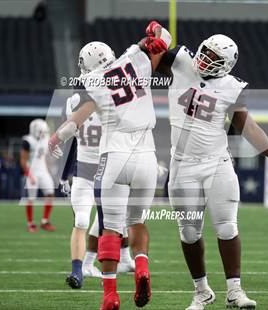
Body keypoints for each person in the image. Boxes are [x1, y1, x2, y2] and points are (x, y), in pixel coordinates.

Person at [152, 33, 268, 309]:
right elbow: (149, 61)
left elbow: (247, 127)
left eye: (213, 57)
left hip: (217, 164)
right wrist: (154, 41)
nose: (205, 58)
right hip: (183, 165)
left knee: (227, 226)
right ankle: (202, 291)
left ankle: (235, 291)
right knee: (188, 233)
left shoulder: (232, 87)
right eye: (205, 51)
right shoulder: (181, 61)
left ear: (226, 65)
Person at [49, 22, 171, 309]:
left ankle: (110, 295)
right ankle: (141, 267)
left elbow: (77, 120)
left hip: (113, 156)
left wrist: (56, 137)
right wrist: (153, 34)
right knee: (137, 222)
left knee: (109, 230)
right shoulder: (133, 59)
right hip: (146, 156)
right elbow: (162, 39)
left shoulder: (93, 82)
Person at [60, 67, 135, 289]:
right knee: (83, 220)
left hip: (109, 168)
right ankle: (78, 271)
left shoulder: (115, 98)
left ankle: (110, 263)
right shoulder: (77, 100)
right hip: (84, 169)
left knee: (112, 221)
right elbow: (73, 137)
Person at [20, 119, 56, 232]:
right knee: (31, 198)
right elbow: (23, 160)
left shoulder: (45, 140)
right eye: (41, 131)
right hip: (32, 172)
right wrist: (29, 176)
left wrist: (48, 170)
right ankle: (30, 223)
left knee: (50, 194)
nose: (43, 134)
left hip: (43, 171)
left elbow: (44, 157)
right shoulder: (28, 141)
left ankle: (45, 221)